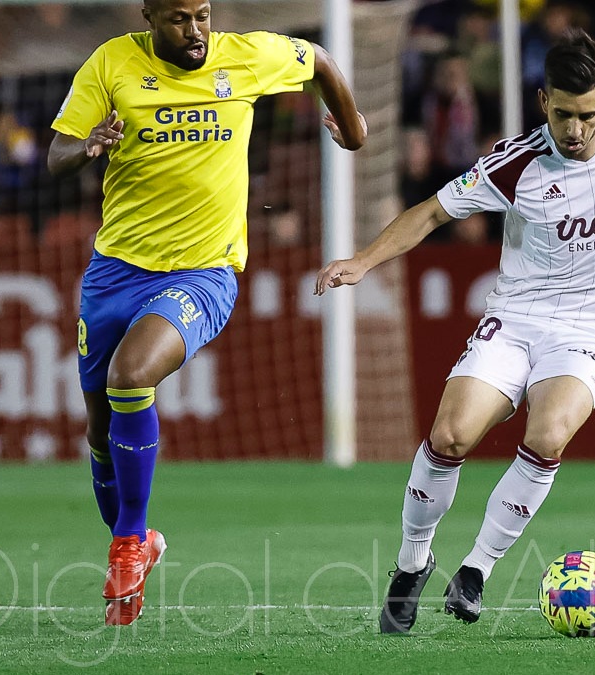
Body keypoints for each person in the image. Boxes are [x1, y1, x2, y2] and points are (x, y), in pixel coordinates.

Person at [315, 30, 595, 634]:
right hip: (517, 319)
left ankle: (476, 570)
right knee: (451, 436)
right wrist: (363, 260)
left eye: (587, 115)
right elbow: (430, 211)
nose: (575, 130)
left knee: (549, 432)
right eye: (563, 114)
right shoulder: (515, 164)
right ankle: (411, 564)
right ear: (544, 103)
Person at [47, 0, 366, 626]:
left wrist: (353, 129)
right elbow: (56, 153)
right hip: (114, 273)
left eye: (202, 15)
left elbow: (322, 59)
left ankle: (129, 542)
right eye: (178, 19)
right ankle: (139, 537)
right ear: (149, 16)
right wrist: (86, 147)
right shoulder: (111, 64)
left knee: (130, 376)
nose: (194, 31)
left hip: (203, 272)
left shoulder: (244, 56)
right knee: (97, 431)